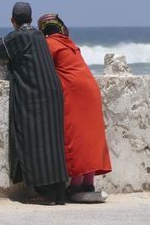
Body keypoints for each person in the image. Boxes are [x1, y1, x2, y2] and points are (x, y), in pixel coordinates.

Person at [0, 2, 68, 205]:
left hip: (34, 96)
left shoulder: (18, 37)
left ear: (12, 21)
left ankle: (44, 193)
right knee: (53, 142)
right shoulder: (40, 36)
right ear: (31, 19)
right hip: (53, 92)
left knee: (35, 142)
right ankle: (58, 192)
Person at [37, 14, 112, 197]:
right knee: (90, 136)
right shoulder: (70, 44)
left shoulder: (49, 44)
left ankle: (77, 185)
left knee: (76, 135)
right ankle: (88, 184)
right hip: (91, 89)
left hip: (74, 91)